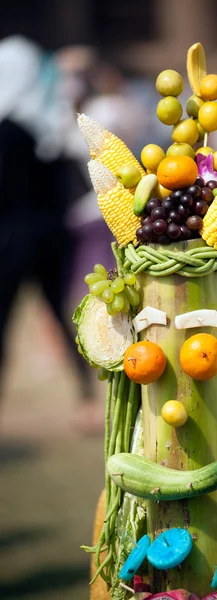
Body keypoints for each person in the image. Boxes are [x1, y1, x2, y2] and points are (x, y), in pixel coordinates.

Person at [0, 35, 99, 431]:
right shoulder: (50, 126)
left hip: (10, 242)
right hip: (53, 238)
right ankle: (87, 401)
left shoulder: (7, 129)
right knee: (63, 318)